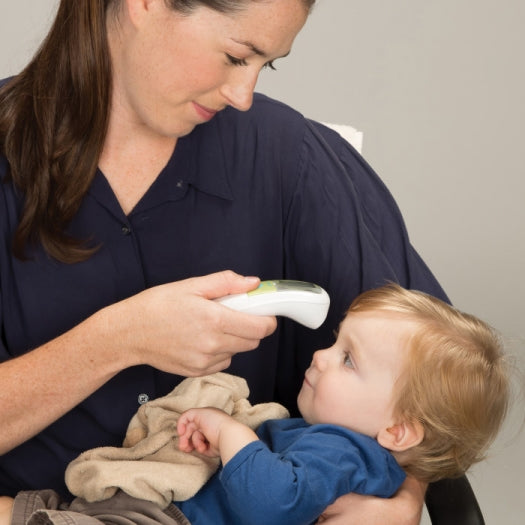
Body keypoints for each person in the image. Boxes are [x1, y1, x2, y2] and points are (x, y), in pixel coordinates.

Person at [0, 0, 466, 522]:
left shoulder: (290, 158)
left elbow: (434, 379)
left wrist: (404, 501)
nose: (244, 97)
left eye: (267, 65)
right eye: (235, 56)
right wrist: (119, 338)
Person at [0, 284, 509, 525]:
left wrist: (226, 430)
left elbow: (272, 501)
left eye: (349, 360)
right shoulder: (347, 451)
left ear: (398, 432)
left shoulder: (343, 452)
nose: (321, 356)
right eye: (334, 342)